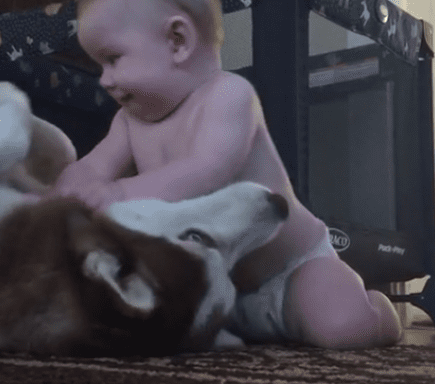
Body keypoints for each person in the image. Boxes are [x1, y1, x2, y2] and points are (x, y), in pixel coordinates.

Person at [47, 0, 402, 349]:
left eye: (112, 59)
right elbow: (94, 166)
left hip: (289, 273)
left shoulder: (229, 96)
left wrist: (117, 195)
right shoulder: (129, 121)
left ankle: (380, 310)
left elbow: (207, 171)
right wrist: (65, 193)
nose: (105, 81)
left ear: (177, 41)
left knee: (343, 326)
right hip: (217, 295)